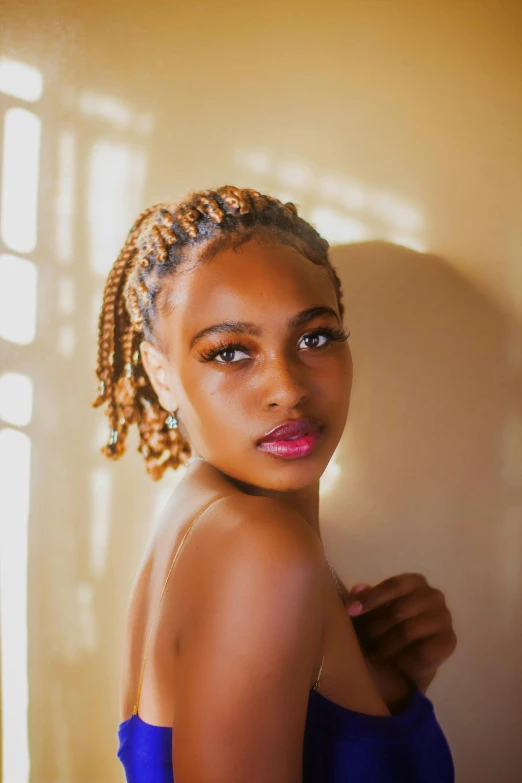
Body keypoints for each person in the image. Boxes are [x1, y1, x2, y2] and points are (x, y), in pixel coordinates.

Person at [92, 186, 457, 782]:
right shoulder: (260, 549)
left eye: (314, 337)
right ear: (162, 376)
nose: (286, 387)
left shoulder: (205, 516)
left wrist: (391, 677)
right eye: (231, 351)